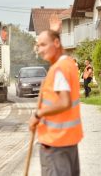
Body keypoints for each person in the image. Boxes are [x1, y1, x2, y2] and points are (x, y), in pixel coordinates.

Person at [29, 29, 83, 176]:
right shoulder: (68, 63)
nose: (40, 50)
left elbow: (64, 102)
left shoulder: (58, 69)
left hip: (55, 144)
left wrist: (38, 114)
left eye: (43, 45)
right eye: (38, 46)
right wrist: (54, 31)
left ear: (57, 43)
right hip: (68, 141)